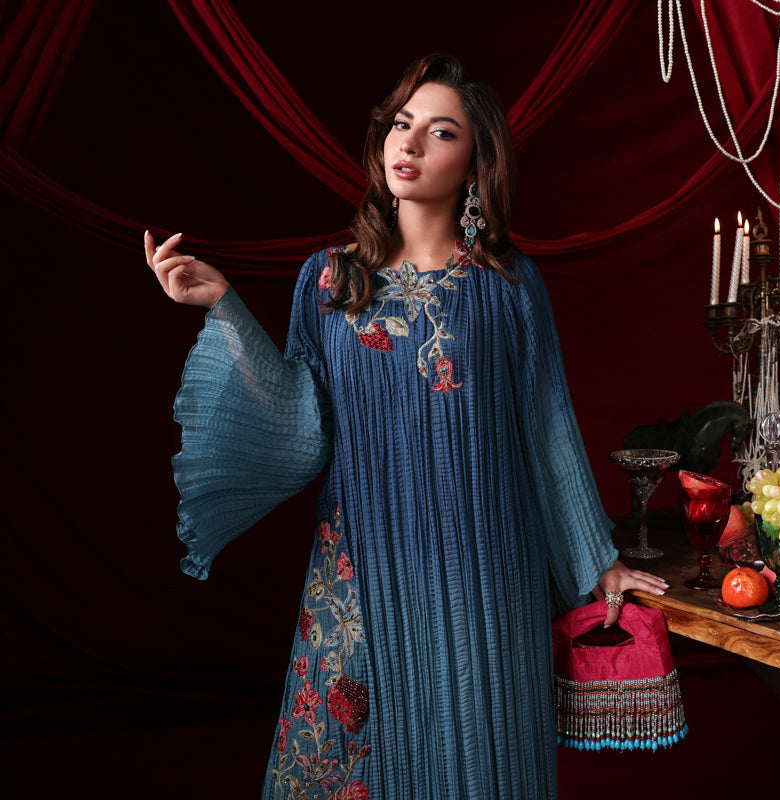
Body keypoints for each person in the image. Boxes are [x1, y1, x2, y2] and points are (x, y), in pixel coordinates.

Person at [146, 53, 668, 800]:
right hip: (363, 575)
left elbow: (547, 425)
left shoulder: (507, 285)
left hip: (487, 577)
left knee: (485, 767)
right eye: (401, 124)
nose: (411, 143)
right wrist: (224, 306)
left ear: (476, 163)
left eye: (441, 131)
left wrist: (597, 561)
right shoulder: (330, 280)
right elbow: (300, 423)